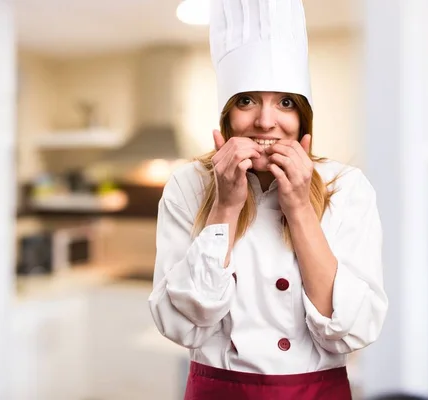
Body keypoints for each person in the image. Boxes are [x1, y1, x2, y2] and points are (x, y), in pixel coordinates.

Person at [148, 0, 388, 398]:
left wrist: (298, 206)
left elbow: (354, 328)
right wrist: (225, 205)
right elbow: (180, 323)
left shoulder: (346, 186)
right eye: (247, 100)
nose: (265, 121)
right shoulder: (187, 185)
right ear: (227, 114)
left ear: (303, 117)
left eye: (285, 102)